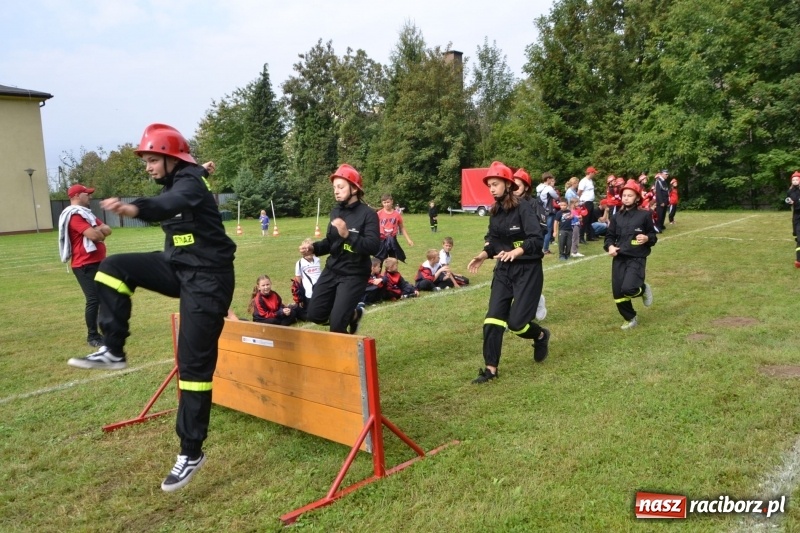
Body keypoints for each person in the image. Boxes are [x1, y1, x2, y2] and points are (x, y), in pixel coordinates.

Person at [66, 123, 236, 492]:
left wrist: (135, 207)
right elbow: (170, 197)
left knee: (192, 364)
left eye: (151, 158)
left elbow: (169, 205)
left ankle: (191, 451)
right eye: (145, 159)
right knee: (113, 268)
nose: (147, 166)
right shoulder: (182, 180)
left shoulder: (188, 182)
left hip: (208, 280)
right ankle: (113, 348)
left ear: (171, 157)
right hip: (179, 268)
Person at [468, 161, 549, 384]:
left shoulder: (524, 208)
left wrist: (517, 251)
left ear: (508, 184)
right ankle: (490, 370)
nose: (491, 189)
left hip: (528, 269)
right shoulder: (495, 211)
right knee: (492, 319)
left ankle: (540, 335)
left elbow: (536, 239)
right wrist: (483, 255)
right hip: (504, 270)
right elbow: (493, 241)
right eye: (489, 185)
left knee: (517, 324)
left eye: (495, 184)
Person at [300, 164, 380, 334]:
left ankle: (346, 357)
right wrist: (313, 248)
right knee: (314, 314)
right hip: (332, 270)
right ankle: (353, 315)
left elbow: (373, 246)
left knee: (336, 326)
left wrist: (348, 235)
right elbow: (330, 242)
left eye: (340, 187)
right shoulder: (336, 211)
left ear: (354, 189)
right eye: (334, 187)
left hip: (354, 274)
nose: (336, 191)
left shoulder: (368, 214)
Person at [58, 184, 112, 347]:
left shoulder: (86, 214)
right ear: (76, 196)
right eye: (86, 194)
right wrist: (98, 231)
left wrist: (98, 231)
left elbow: (108, 229)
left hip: (97, 261)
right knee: (93, 299)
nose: (90, 196)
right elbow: (95, 236)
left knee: (104, 297)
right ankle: (92, 336)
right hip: (84, 264)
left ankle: (106, 331)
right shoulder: (75, 216)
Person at [604, 179, 657, 330]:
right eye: (624, 195)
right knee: (618, 292)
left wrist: (647, 238)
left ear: (637, 198)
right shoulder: (616, 217)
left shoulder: (644, 215)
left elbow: (653, 236)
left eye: (630, 195)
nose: (626, 197)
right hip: (619, 258)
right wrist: (610, 247)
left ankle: (643, 289)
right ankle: (630, 318)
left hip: (636, 257)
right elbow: (609, 236)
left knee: (629, 289)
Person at [375, 193, 414, 263]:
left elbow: (402, 228)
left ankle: (391, 274)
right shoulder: (379, 214)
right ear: (382, 203)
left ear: (392, 202)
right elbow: (374, 227)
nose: (386, 204)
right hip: (381, 240)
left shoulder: (396, 214)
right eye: (384, 202)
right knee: (378, 262)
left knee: (393, 262)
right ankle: (377, 274)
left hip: (392, 240)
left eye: (388, 202)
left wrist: (408, 240)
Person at [291, 238, 321, 320]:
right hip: (309, 292)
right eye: (305, 249)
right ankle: (295, 309)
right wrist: (300, 294)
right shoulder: (300, 263)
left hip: (319, 288)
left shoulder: (317, 260)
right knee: (310, 315)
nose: (308, 252)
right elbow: (298, 279)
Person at [539, 172, 560, 254]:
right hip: (549, 211)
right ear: (547, 179)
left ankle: (539, 247)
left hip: (540, 210)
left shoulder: (539, 187)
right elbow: (556, 196)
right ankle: (545, 249)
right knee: (548, 230)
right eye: (551, 179)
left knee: (541, 229)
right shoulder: (549, 188)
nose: (552, 181)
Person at [578, 166, 597, 242]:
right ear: (590, 173)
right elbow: (579, 192)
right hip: (585, 202)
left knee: (590, 220)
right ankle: (581, 237)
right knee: (584, 220)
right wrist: (580, 201)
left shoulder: (590, 181)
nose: (594, 174)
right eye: (594, 173)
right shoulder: (583, 181)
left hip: (590, 201)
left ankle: (589, 236)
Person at [786, 171, 800, 268]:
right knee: (799, 238)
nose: (794, 181)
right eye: (793, 179)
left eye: (796, 179)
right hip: (797, 216)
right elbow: (789, 200)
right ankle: (798, 260)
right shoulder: (790, 191)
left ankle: (798, 260)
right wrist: (789, 202)